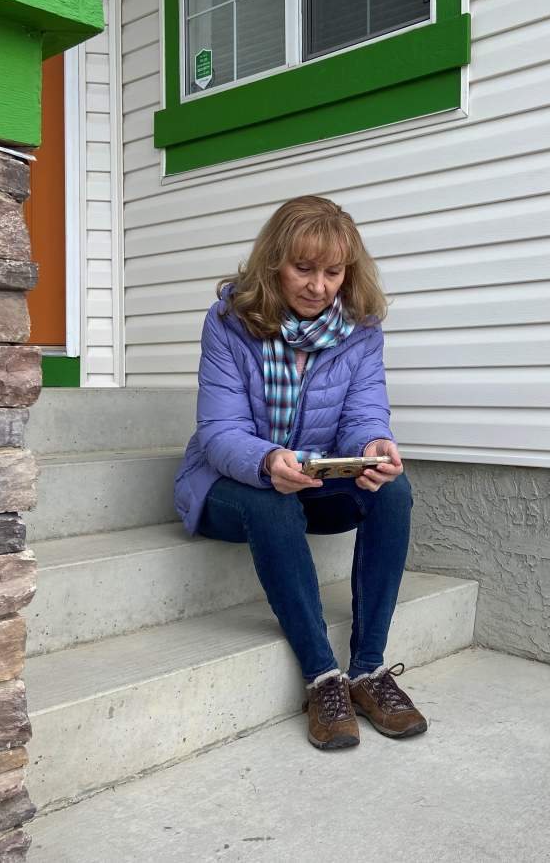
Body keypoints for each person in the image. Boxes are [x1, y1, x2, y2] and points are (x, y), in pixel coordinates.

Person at [173, 195, 426, 751]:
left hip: (310, 479)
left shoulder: (361, 330)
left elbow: (364, 413)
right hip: (229, 486)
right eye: (302, 269)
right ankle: (322, 678)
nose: (318, 286)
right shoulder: (228, 323)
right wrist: (266, 461)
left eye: (332, 272)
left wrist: (374, 444)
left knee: (393, 490)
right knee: (271, 500)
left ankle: (367, 670)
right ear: (273, 264)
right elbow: (219, 433)